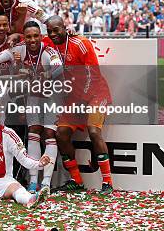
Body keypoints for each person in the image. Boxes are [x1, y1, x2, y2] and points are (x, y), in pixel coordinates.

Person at [0, 21, 63, 195]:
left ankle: (46, 182)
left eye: (35, 36)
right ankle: (32, 181)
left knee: (50, 134)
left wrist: (47, 75)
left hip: (51, 96)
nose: (32, 40)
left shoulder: (48, 51)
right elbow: (0, 57)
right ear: (25, 37)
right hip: (33, 97)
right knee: (33, 132)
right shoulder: (20, 48)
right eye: (29, 36)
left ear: (40, 36)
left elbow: (58, 67)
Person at [44, 15, 114, 195]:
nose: (52, 34)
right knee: (61, 134)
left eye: (56, 30)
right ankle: (76, 180)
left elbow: (93, 74)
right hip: (74, 100)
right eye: (49, 31)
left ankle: (107, 182)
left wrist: (82, 100)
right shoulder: (48, 44)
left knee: (93, 131)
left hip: (96, 94)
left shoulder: (81, 44)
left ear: (65, 28)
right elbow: (31, 36)